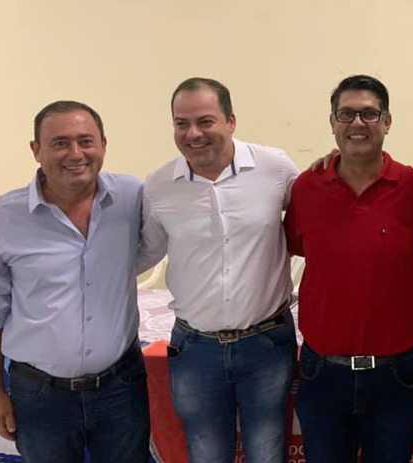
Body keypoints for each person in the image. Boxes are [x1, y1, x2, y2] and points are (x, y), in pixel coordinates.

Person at [137, 77, 299, 463]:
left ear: (231, 121)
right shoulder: (159, 186)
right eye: (181, 123)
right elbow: (144, 254)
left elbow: (318, 215)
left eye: (205, 121)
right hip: (195, 349)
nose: (193, 133)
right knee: (206, 454)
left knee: (267, 452)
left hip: (267, 344)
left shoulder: (275, 167)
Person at [284, 75, 413, 463]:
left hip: (395, 374)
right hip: (322, 372)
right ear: (332, 122)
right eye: (346, 114)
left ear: (387, 121)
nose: (357, 123)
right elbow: (297, 247)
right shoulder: (306, 187)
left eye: (369, 114)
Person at [0, 101, 149, 463]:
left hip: (121, 389)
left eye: (85, 141)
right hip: (40, 397)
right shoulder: (3, 219)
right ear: (36, 150)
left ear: (103, 144)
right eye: (60, 143)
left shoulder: (132, 197)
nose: (75, 154)